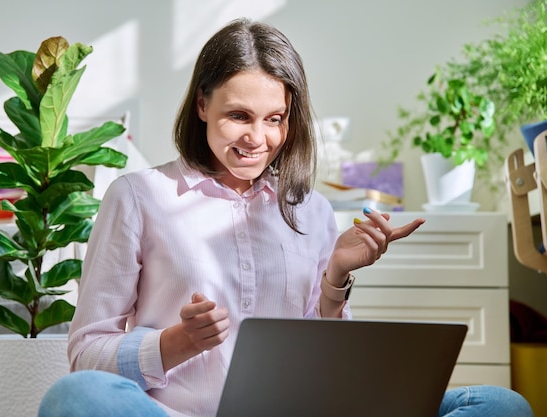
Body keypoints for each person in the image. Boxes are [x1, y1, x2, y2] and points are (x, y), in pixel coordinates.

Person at [39, 18, 534, 417]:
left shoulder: (310, 210)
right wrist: (175, 343)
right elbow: (86, 355)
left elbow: (327, 363)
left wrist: (336, 276)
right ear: (202, 105)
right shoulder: (138, 197)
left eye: (274, 119)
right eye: (239, 115)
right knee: (76, 399)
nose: (258, 137)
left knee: (498, 405)